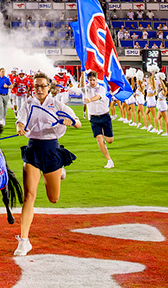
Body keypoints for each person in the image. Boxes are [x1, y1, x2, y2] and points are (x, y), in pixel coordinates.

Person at [15, 70, 81, 257]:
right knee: (29, 195)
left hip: (52, 149)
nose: (39, 89)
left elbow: (78, 123)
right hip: (33, 150)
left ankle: (58, 170)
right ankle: (24, 240)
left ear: (49, 87)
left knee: (53, 198)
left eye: (43, 85)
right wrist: (21, 127)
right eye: (36, 86)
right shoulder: (27, 103)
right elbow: (20, 121)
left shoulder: (57, 104)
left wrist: (71, 121)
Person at [81, 70, 113, 168]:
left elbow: (98, 96)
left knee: (109, 140)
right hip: (94, 117)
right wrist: (82, 73)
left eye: (93, 80)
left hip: (104, 116)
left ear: (96, 79)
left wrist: (90, 100)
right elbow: (82, 86)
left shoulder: (102, 88)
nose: (92, 82)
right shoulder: (86, 89)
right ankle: (109, 160)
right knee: (99, 139)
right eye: (90, 80)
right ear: (88, 80)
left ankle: (105, 142)